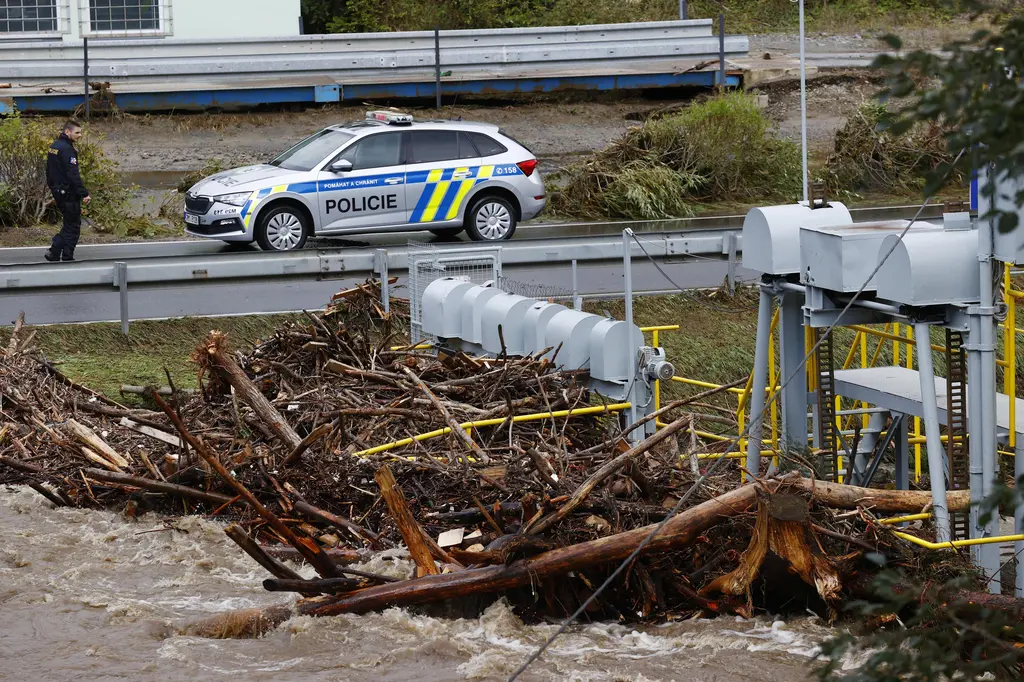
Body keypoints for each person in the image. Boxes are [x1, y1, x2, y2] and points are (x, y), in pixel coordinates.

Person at [45, 120, 91, 262]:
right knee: (73, 226)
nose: (80, 135)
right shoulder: (67, 150)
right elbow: (73, 174)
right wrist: (84, 193)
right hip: (68, 192)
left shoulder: (54, 147)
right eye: (77, 132)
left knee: (69, 223)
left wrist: (53, 188)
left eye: (80, 132)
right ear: (67, 132)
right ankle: (60, 252)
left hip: (58, 191)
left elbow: (49, 171)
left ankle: (59, 254)